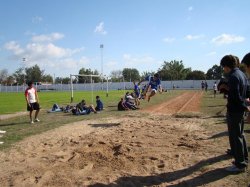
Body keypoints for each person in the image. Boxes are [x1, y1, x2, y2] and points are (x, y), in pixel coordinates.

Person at [220, 54, 248, 172]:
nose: (223, 69)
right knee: (240, 135)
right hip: (239, 110)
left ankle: (240, 164)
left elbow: (236, 96)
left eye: (223, 66)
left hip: (235, 110)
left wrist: (244, 107)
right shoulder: (242, 74)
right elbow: (243, 92)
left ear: (227, 66)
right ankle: (243, 158)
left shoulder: (233, 76)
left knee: (236, 136)